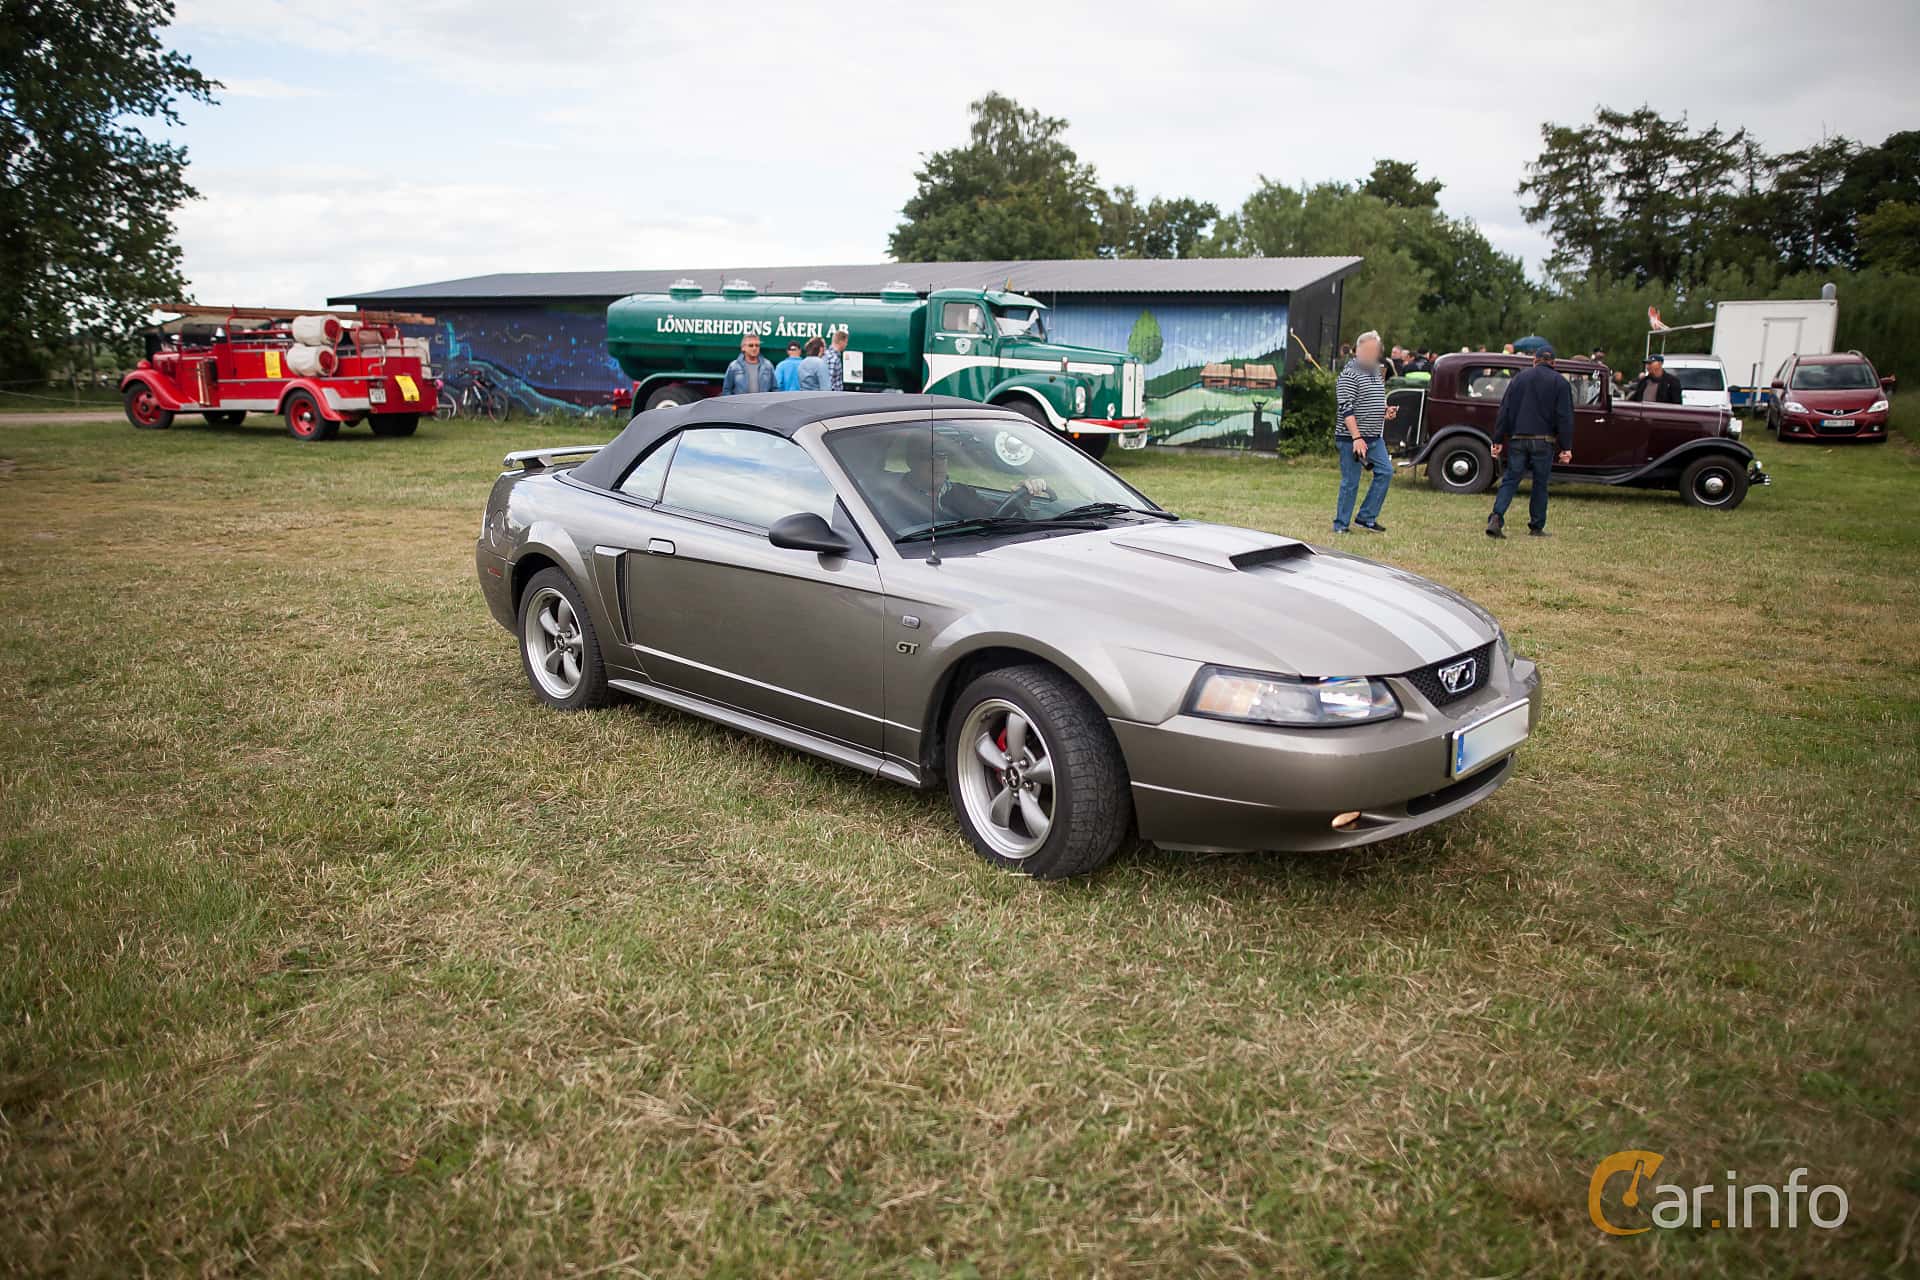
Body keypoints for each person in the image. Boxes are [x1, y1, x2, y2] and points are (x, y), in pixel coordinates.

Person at [1487, 343, 1573, 539]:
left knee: (1510, 480)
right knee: (1540, 484)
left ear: (1534, 361)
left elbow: (1505, 410)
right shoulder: (1560, 383)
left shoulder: (1519, 379)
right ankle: (1536, 526)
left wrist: (1498, 439)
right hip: (1544, 441)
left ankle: (1497, 517)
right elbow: (1564, 417)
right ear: (1554, 363)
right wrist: (1566, 447)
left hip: (1518, 439)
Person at [870, 439, 1049, 532]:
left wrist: (1023, 495)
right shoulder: (894, 500)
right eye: (927, 456)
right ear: (911, 461)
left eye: (942, 454)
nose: (937, 462)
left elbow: (997, 516)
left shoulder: (961, 491)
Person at [1332, 330, 1398, 535]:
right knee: (1351, 481)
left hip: (1374, 437)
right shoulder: (1349, 374)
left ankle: (1366, 517)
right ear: (1358, 350)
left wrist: (1385, 411)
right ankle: (1341, 525)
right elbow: (1346, 409)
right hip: (1351, 438)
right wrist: (1356, 438)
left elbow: (1374, 400)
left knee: (1386, 472)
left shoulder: (1375, 372)